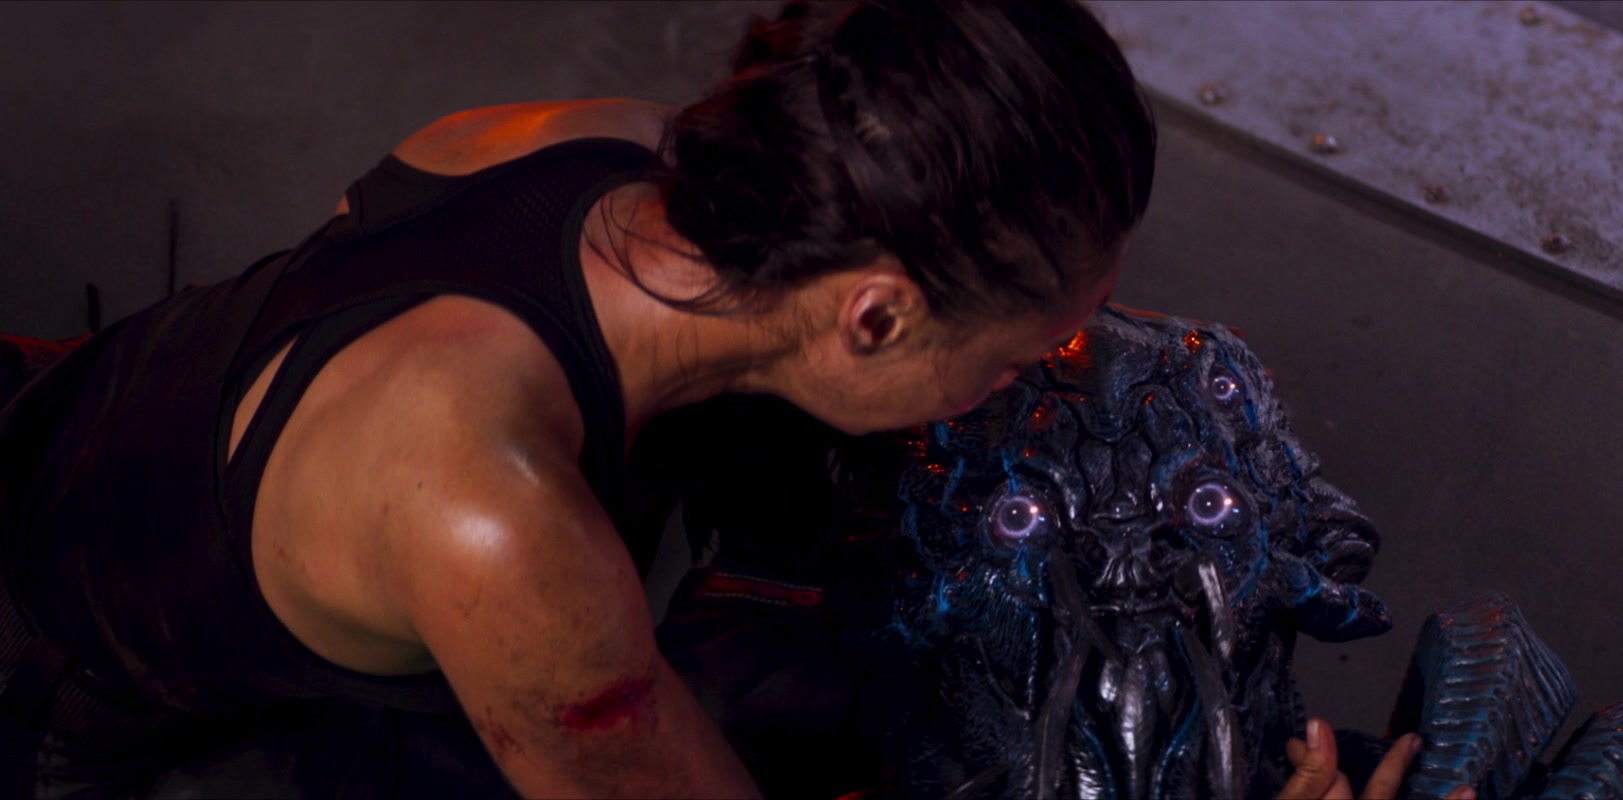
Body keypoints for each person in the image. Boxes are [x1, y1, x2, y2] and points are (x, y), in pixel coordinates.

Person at [0, 1, 1436, 797]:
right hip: (70, 695)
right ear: (875, 313)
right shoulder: (496, 526)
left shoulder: (600, 152)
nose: (1037, 382)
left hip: (80, 427)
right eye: (1020, 355)